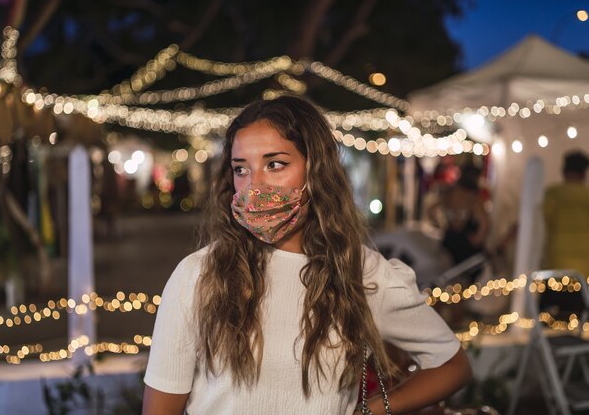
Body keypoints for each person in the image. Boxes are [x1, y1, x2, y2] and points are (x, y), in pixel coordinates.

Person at [142, 96, 472, 415]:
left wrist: (371, 411)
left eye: (275, 164)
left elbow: (451, 364)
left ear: (316, 172)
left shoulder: (360, 272)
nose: (254, 185)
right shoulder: (199, 274)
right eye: (241, 169)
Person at [427, 164, 490, 283]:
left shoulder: (449, 193)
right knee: (465, 285)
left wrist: (439, 225)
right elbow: (485, 223)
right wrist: (478, 239)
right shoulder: (472, 197)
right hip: (466, 245)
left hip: (449, 240)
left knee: (448, 283)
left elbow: (431, 209)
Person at [543, 150, 589, 276]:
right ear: (584, 173)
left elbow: (533, 223)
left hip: (557, 267)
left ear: (564, 170)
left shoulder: (553, 193)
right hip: (586, 271)